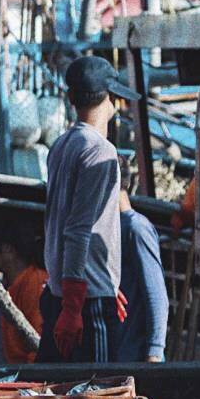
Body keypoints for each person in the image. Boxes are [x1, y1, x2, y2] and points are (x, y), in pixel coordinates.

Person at [41, 55, 129, 362]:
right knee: (98, 395)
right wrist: (75, 304)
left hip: (59, 290)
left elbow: (58, 223)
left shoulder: (61, 145)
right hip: (83, 301)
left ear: (71, 98)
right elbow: (79, 231)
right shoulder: (101, 152)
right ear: (112, 99)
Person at [115, 192, 169, 363]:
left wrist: (154, 353)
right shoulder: (111, 227)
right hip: (118, 352)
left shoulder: (136, 228)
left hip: (134, 355)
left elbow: (157, 296)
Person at [0, 232, 48, 364]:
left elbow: (38, 336)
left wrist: (33, 378)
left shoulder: (34, 282)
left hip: (21, 376)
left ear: (8, 249)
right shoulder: (9, 285)